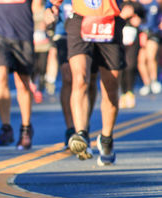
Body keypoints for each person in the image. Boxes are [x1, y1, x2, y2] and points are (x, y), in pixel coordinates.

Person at [51, 0, 124, 166]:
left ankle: (106, 138)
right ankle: (81, 134)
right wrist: (51, 7)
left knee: (111, 89)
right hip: (80, 20)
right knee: (80, 78)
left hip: (109, 22)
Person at [0, 0, 41, 151]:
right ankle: (6, 127)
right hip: (0, 34)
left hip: (23, 35)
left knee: (22, 82)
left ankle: (26, 128)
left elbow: (37, 7)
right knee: (0, 75)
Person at [44, 0, 97, 147]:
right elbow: (50, 3)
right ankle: (71, 128)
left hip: (92, 30)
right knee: (69, 78)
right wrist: (48, 9)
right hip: (64, 32)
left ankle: (83, 122)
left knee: (89, 80)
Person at [119, 0, 145, 109]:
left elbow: (144, 19)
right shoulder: (118, 4)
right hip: (120, 36)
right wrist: (123, 16)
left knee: (131, 65)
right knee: (120, 66)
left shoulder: (137, 5)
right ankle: (123, 94)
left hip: (133, 38)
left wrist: (138, 21)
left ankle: (130, 93)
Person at [137, 0, 162, 96]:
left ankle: (154, 80)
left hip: (153, 32)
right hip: (140, 33)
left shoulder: (157, 2)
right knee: (141, 60)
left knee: (151, 57)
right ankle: (147, 83)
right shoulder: (138, 3)